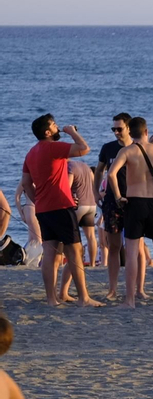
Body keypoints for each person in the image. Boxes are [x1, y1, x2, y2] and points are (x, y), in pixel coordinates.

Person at [20, 115, 99, 308]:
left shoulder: (31, 153)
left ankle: (51, 299)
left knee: (50, 252)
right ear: (47, 132)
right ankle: (84, 297)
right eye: (54, 126)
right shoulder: (52, 147)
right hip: (61, 206)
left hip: (44, 209)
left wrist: (37, 199)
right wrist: (72, 132)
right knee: (75, 250)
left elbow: (25, 183)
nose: (57, 128)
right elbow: (84, 148)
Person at [104, 117, 153, 308]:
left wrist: (119, 197)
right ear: (146, 131)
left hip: (134, 203)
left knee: (132, 252)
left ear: (130, 131)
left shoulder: (126, 151)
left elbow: (111, 174)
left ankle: (130, 300)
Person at [95, 113, 134, 300]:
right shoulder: (108, 148)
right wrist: (95, 191)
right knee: (114, 245)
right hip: (111, 201)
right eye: (114, 129)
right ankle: (112, 289)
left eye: (120, 129)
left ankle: (138, 288)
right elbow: (99, 170)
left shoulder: (137, 147)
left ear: (129, 128)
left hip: (134, 199)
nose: (116, 132)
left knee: (137, 246)